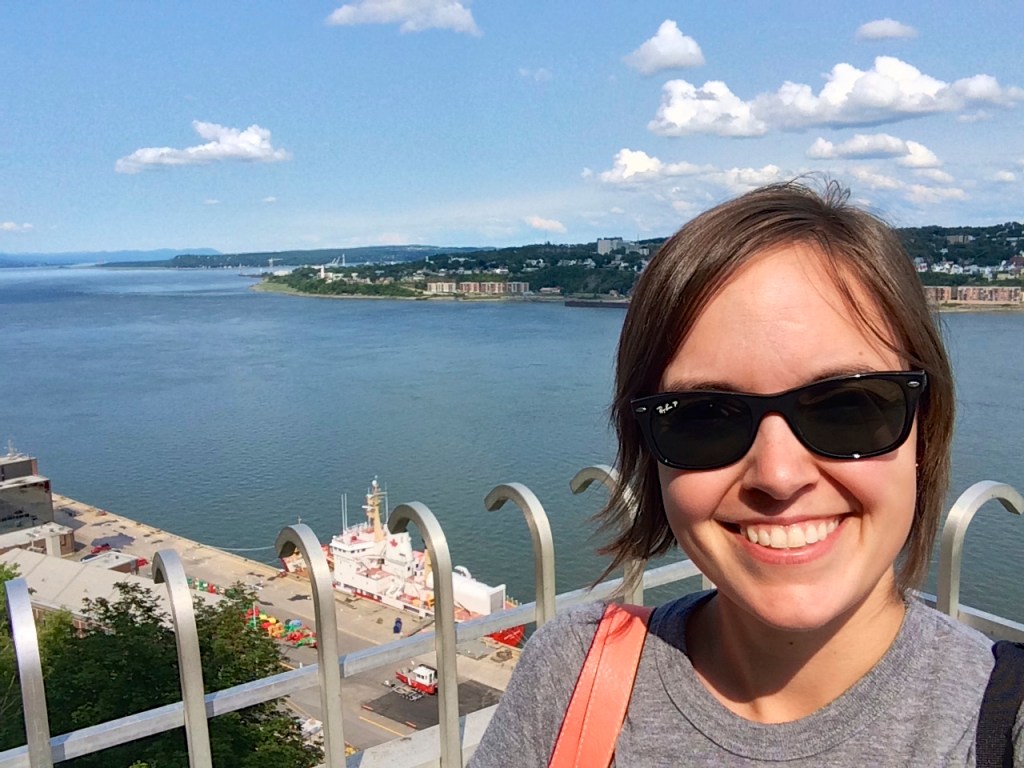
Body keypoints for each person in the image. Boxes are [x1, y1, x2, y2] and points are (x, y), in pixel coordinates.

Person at [470, 180, 1024, 766]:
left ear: (924, 425)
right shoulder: (569, 678)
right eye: (704, 417)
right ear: (648, 449)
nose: (779, 476)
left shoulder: (1002, 726)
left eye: (848, 407)